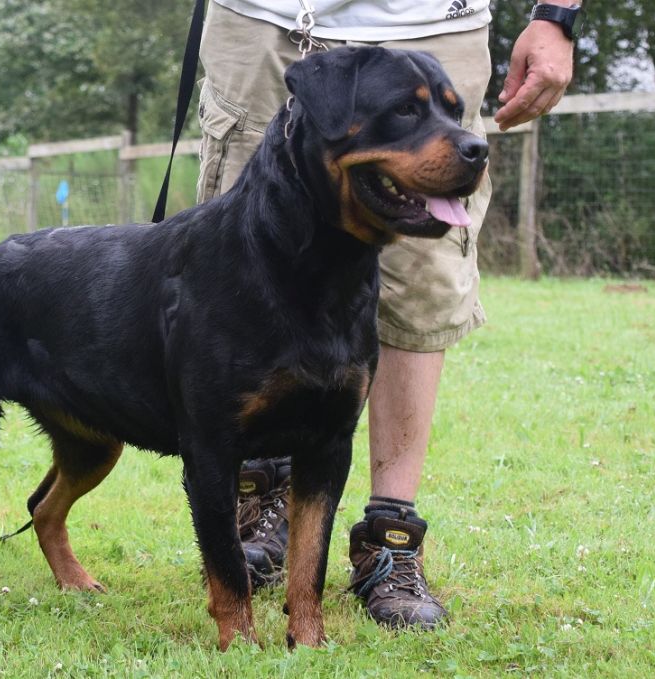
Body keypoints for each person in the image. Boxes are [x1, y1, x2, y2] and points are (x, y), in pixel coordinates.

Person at [196, 0, 577, 628]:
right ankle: (261, 501)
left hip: (433, 20)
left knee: (421, 288)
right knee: (244, 272)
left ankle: (390, 536)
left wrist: (557, 15)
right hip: (264, 18)